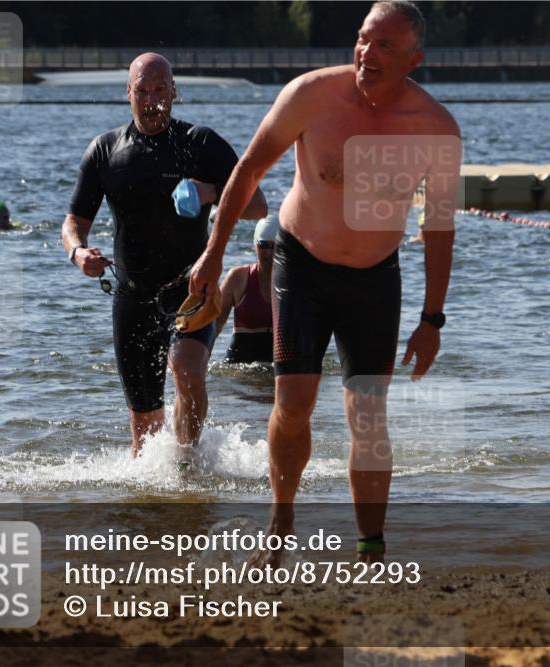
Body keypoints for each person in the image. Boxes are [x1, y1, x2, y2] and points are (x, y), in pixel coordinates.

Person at [187, 1, 461, 562]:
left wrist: (432, 320)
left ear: (415, 58)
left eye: (385, 45)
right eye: (364, 39)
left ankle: (371, 548)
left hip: (374, 278)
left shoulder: (435, 128)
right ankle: (281, 523)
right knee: (293, 401)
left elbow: (438, 230)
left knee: (368, 413)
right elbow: (248, 171)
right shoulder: (311, 95)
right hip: (301, 264)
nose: (368, 53)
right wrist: (213, 254)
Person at [61, 52, 267, 460]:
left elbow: (258, 205)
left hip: (191, 289)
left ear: (175, 92)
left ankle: (188, 465)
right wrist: (78, 253)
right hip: (132, 297)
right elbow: (73, 223)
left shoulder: (200, 144)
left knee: (187, 371)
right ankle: (155, 505)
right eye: (143, 91)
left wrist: (210, 193)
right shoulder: (105, 151)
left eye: (161, 90)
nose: (153, 100)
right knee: (144, 424)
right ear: (128, 93)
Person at [215, 216, 278, 364]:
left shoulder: (294, 282)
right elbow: (215, 325)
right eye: (263, 245)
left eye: (275, 246)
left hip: (278, 368)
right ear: (254, 245)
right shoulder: (238, 278)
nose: (269, 252)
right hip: (239, 367)